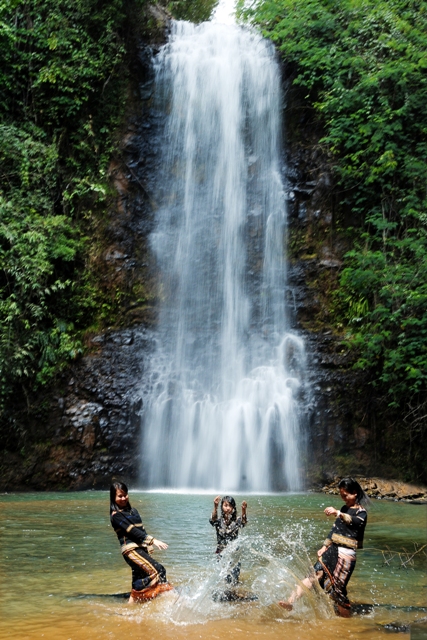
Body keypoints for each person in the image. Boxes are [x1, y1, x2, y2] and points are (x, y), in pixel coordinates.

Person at [279, 477, 369, 616]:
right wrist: (324, 545)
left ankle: (347, 622)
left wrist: (338, 513)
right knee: (313, 574)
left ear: (355, 493)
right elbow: (335, 530)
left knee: (338, 590)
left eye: (345, 495)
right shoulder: (345, 508)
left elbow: (355, 522)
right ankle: (291, 601)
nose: (343, 498)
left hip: (345, 555)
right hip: (332, 550)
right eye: (342, 495)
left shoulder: (361, 512)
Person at [110, 481, 172, 603]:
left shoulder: (134, 511)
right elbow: (132, 531)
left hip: (140, 549)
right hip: (131, 550)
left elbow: (141, 530)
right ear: (113, 498)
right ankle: (170, 597)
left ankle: (129, 610)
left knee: (139, 579)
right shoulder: (116, 515)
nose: (123, 498)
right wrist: (153, 541)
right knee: (158, 570)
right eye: (119, 496)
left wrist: (147, 546)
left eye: (125, 495)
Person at [210, 495, 247, 585]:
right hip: (221, 552)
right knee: (223, 576)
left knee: (234, 577)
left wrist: (244, 510)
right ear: (222, 507)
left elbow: (243, 522)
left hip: (234, 552)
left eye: (230, 506)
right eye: (226, 505)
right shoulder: (218, 521)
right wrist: (215, 506)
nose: (228, 508)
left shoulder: (236, 520)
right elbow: (213, 519)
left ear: (233, 508)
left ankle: (233, 592)